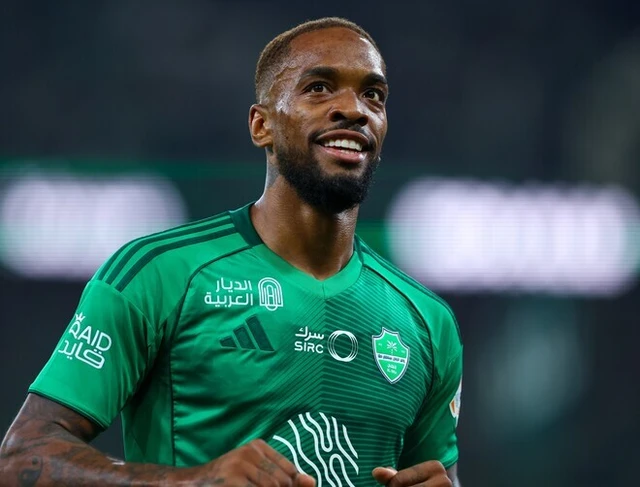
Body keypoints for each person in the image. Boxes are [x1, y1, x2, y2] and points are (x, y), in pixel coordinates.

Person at [0, 17, 463, 487]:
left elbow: (441, 475)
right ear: (262, 126)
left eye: (373, 95)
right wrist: (193, 482)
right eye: (319, 88)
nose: (353, 109)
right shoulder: (159, 275)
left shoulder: (428, 322)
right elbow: (21, 458)